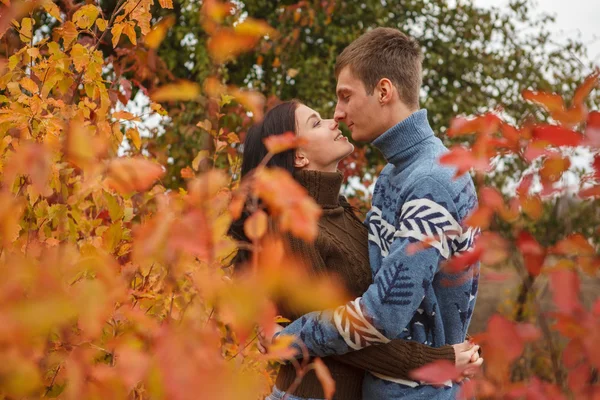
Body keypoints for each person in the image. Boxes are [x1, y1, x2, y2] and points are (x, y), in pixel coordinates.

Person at [265, 28, 481, 399]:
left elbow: (382, 314)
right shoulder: (392, 175)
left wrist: (286, 339)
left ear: (383, 91)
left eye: (345, 96)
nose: (338, 112)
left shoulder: (433, 180)